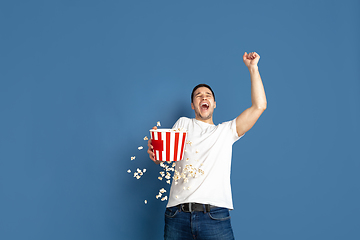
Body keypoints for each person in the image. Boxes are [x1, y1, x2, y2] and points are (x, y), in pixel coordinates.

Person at [147, 52, 267, 240]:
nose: (204, 97)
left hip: (215, 216)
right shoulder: (183, 124)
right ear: (193, 105)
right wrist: (156, 151)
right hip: (177, 214)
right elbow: (166, 157)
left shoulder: (226, 131)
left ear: (214, 104)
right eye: (198, 95)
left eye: (208, 95)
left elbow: (259, 106)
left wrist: (253, 68)